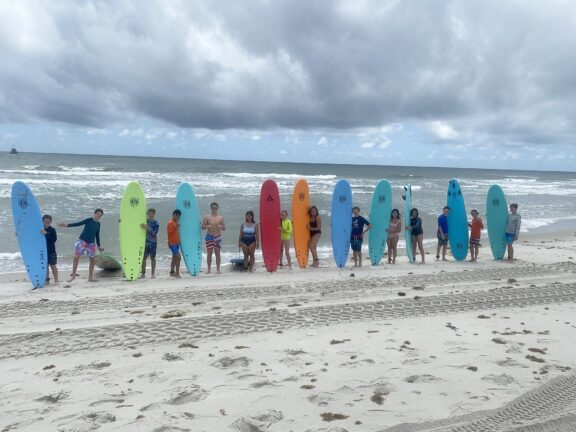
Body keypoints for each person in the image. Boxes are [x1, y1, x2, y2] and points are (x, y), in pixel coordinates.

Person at [58, 208, 104, 282]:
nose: (99, 215)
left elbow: (97, 235)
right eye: (98, 213)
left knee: (92, 260)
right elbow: (78, 224)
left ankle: (90, 278)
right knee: (76, 257)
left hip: (91, 243)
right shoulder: (89, 220)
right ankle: (73, 276)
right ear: (94, 213)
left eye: (100, 215)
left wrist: (99, 246)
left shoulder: (98, 224)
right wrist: (67, 225)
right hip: (82, 241)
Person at [202, 202, 226, 274]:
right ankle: (209, 269)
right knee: (209, 253)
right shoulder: (207, 217)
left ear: (217, 208)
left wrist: (221, 226)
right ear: (211, 208)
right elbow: (202, 227)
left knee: (217, 253)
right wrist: (207, 226)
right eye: (213, 208)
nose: (214, 209)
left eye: (215, 208)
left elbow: (224, 228)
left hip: (217, 236)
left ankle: (218, 269)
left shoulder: (220, 218)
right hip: (209, 236)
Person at [141, 208, 159, 278]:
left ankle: (152, 274)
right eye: (149, 213)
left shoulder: (156, 223)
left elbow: (154, 233)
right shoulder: (144, 221)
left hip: (153, 243)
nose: (151, 214)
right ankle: (143, 274)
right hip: (145, 242)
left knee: (153, 258)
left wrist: (147, 227)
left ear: (154, 214)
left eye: (152, 213)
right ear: (147, 213)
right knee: (144, 258)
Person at [41, 214, 59, 284]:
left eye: (48, 221)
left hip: (51, 251)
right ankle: (47, 280)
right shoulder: (40, 229)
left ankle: (56, 280)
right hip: (43, 252)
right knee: (45, 266)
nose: (47, 222)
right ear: (43, 221)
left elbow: (54, 240)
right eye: (45, 221)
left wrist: (46, 234)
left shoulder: (52, 230)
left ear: (51, 222)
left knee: (53, 265)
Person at [167, 209, 182, 277]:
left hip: (177, 243)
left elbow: (177, 233)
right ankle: (177, 273)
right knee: (178, 257)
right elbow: (169, 233)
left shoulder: (176, 223)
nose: (177, 217)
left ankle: (172, 271)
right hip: (172, 244)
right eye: (176, 215)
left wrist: (179, 240)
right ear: (173, 215)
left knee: (174, 258)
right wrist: (176, 227)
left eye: (178, 216)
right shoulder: (170, 223)